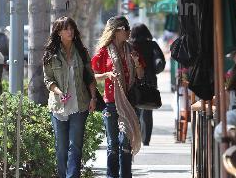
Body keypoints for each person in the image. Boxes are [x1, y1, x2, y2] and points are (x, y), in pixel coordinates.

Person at [43, 16, 97, 178]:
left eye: (72, 28)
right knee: (61, 147)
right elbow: (48, 80)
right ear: (58, 32)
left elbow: (90, 77)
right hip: (58, 107)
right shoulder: (51, 54)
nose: (70, 31)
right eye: (66, 29)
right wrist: (60, 92)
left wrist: (93, 97)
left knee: (75, 146)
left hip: (79, 105)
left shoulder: (81, 51)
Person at [91, 16, 144, 178]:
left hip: (129, 102)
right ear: (116, 31)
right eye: (125, 29)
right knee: (113, 144)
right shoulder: (103, 52)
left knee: (125, 143)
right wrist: (106, 74)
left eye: (128, 28)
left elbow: (141, 75)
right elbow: (92, 76)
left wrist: (136, 63)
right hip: (111, 103)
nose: (129, 32)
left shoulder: (132, 50)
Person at [129, 23, 166, 146]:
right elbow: (160, 60)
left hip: (134, 81)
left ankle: (137, 137)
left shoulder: (130, 46)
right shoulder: (152, 44)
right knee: (148, 110)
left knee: (135, 111)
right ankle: (146, 140)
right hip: (150, 80)